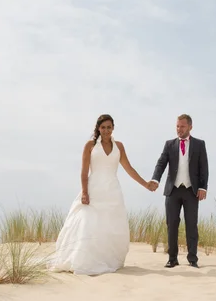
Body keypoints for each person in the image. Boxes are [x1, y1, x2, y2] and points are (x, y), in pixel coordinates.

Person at [48, 114, 152, 275]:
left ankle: (108, 260)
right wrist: (84, 192)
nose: (106, 130)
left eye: (109, 127)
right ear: (98, 128)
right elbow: (83, 172)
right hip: (94, 189)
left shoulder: (119, 147)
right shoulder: (90, 145)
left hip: (112, 191)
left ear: (113, 128)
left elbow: (129, 169)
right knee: (88, 224)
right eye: (103, 127)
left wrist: (145, 184)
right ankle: (84, 260)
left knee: (111, 225)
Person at [149, 114, 209, 268]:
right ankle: (172, 258)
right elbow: (161, 163)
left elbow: (204, 168)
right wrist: (155, 179)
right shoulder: (169, 144)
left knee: (191, 225)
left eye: (182, 126)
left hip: (191, 191)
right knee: (172, 224)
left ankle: (193, 260)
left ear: (190, 126)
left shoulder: (199, 144)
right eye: (177, 126)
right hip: (172, 190)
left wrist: (203, 187)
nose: (179, 129)